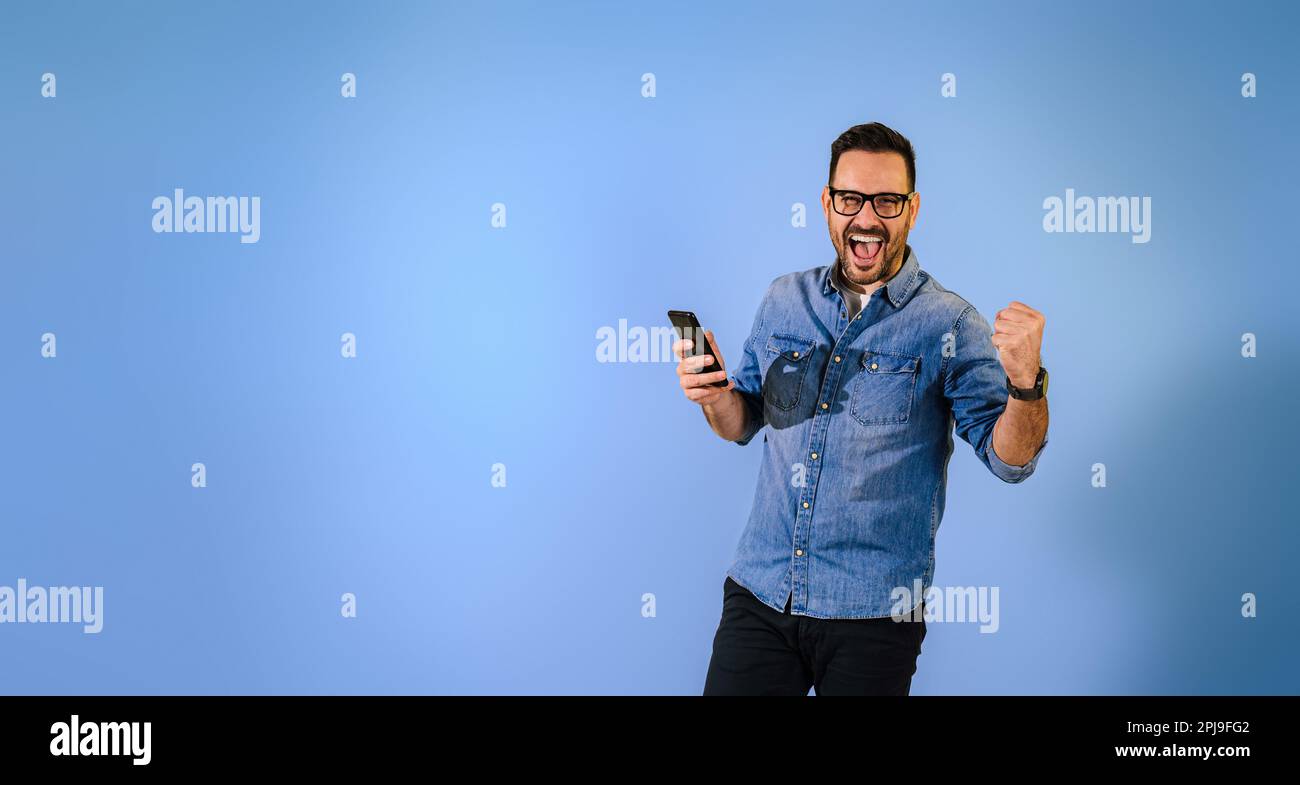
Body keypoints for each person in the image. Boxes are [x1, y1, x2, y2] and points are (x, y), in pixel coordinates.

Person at [673, 122, 1050, 696]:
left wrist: (1027, 386)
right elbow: (743, 424)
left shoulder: (948, 324)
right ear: (827, 203)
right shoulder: (783, 299)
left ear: (912, 209)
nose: (867, 217)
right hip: (762, 592)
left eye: (887, 201)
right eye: (850, 198)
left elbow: (1010, 460)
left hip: (873, 615)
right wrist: (713, 395)